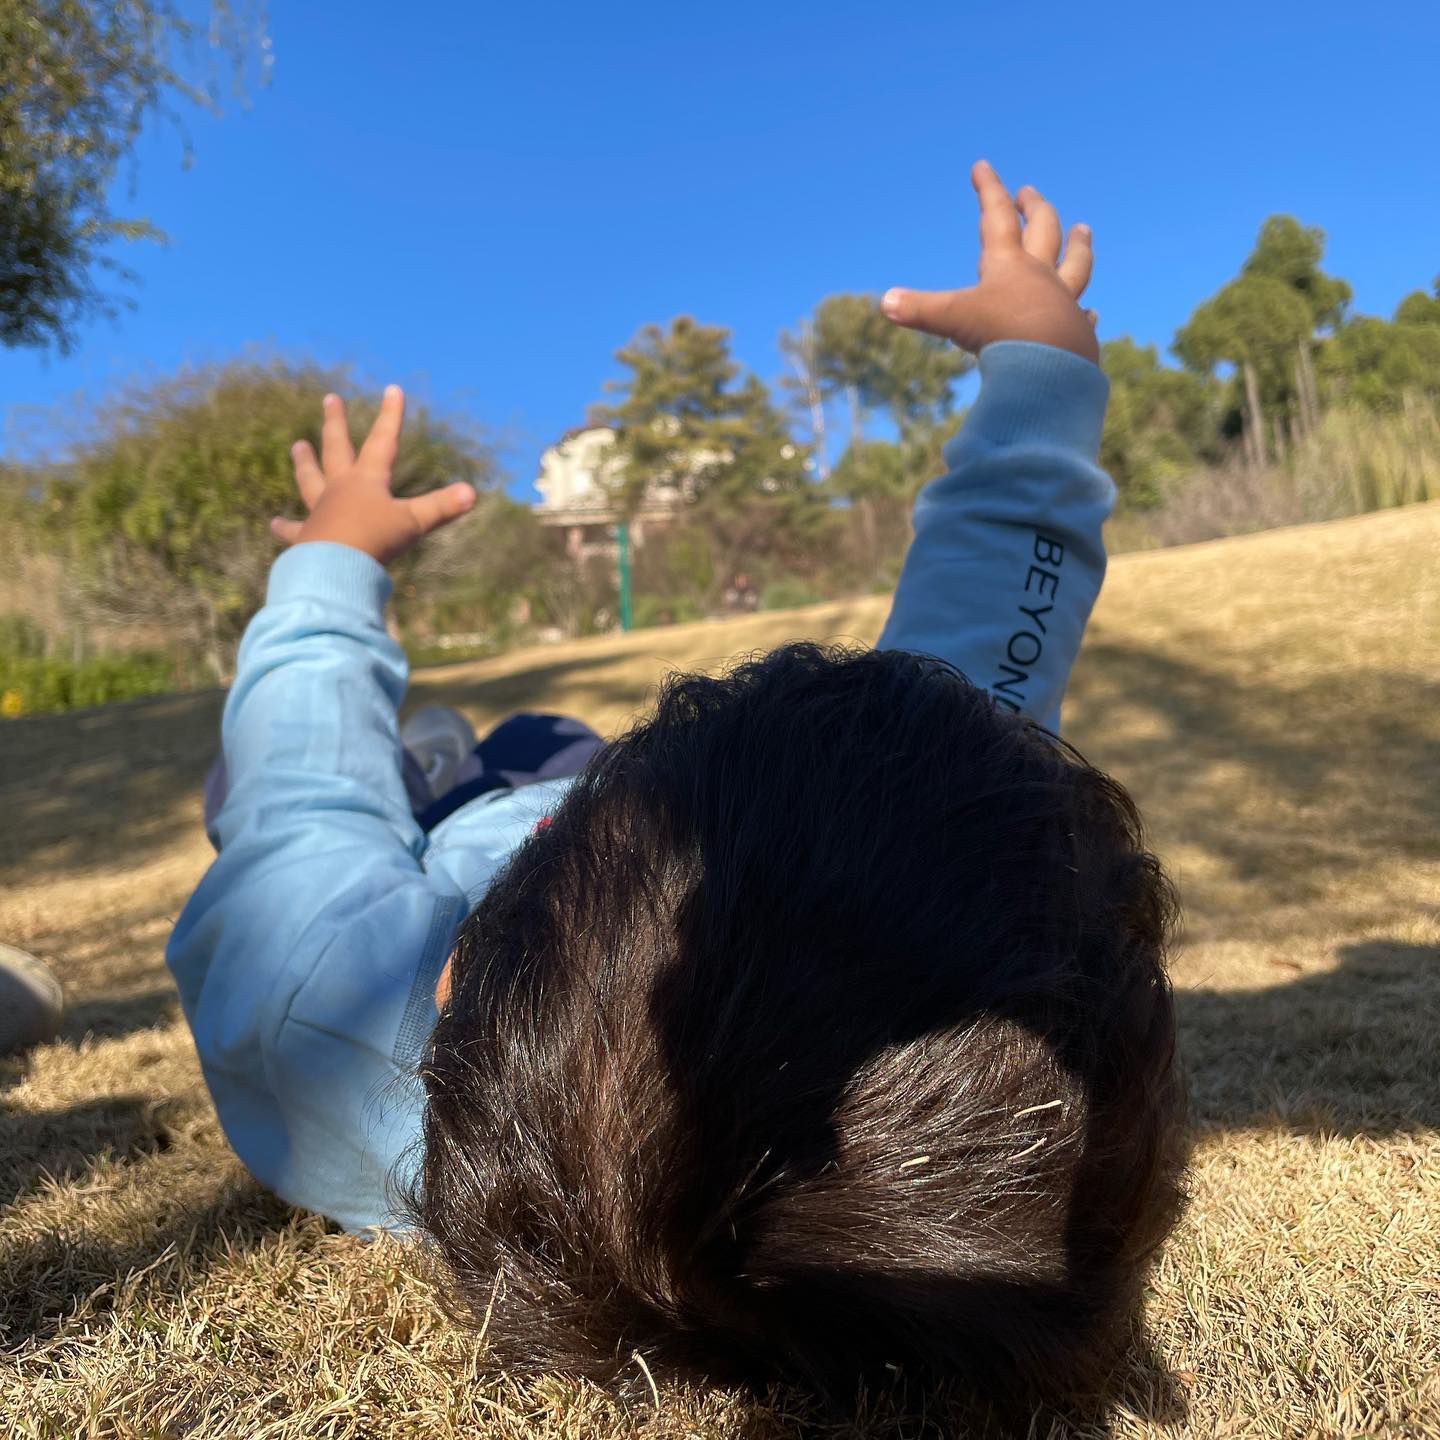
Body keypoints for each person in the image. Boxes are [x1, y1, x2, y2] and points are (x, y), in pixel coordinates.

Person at [167, 161, 1186, 1407]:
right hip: (532, 837)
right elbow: (963, 707)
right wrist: (1040, 371)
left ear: (457, 982)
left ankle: (462, 784)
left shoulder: (318, 1008)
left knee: (280, 789)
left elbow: (299, 802)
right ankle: (501, 778)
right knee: (543, 743)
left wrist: (330, 567)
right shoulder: (964, 920)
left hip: (443, 860)